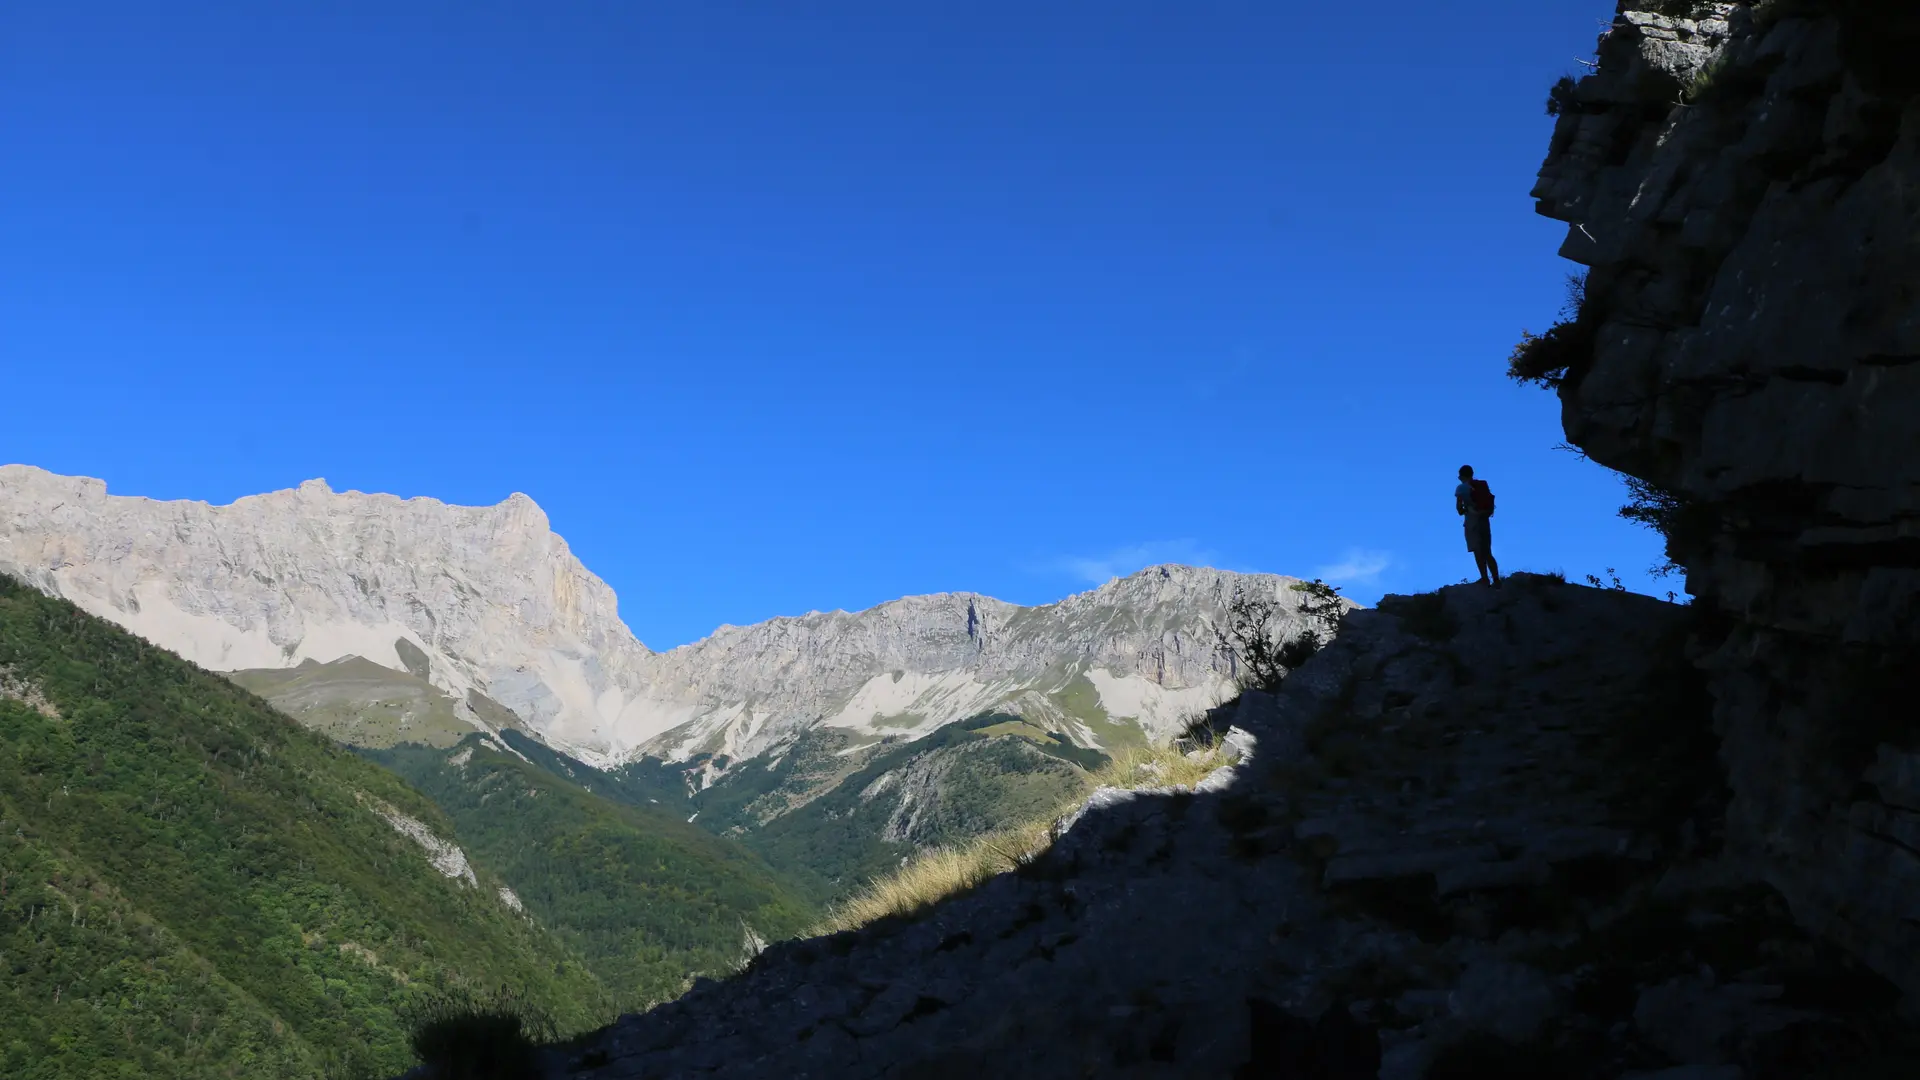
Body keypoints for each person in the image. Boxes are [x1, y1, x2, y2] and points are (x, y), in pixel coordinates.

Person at [1455, 465, 1500, 587]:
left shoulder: (1461, 488)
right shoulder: (1481, 485)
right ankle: (1496, 579)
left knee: (1477, 551)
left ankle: (1485, 579)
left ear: (1461, 476)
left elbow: (1459, 509)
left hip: (1472, 522)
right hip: (1484, 519)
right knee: (1487, 551)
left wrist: (1465, 509)